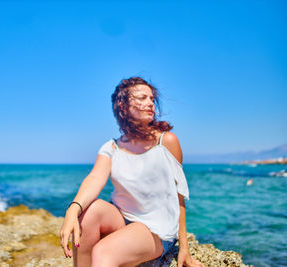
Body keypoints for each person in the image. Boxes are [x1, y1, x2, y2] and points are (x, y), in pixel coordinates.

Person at [60, 77, 203, 267]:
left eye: (152, 99)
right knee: (89, 211)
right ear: (123, 106)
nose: (150, 103)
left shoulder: (166, 142)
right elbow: (95, 177)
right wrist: (72, 210)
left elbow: (179, 197)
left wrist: (184, 248)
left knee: (104, 252)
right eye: (142, 98)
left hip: (155, 229)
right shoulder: (112, 147)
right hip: (122, 219)